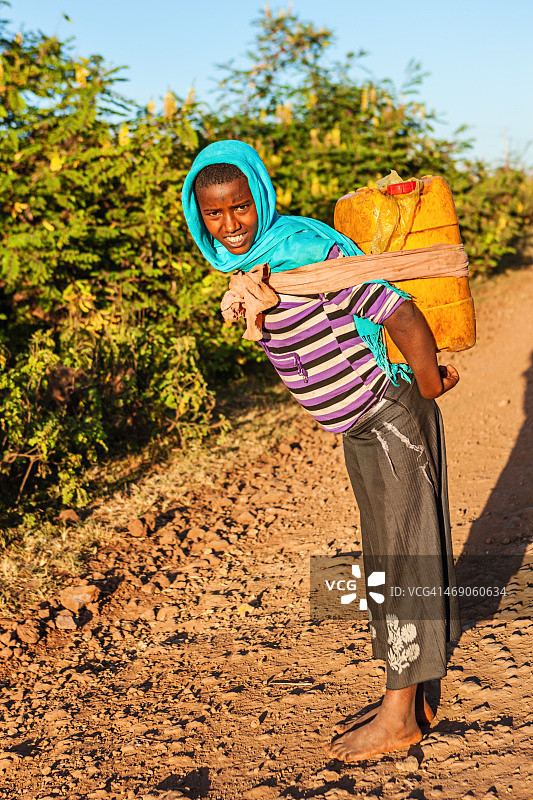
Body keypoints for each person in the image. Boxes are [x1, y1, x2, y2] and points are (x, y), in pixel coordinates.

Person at [182, 140, 461, 762]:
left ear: (261, 197)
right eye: (214, 214)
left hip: (389, 416)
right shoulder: (257, 268)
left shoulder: (306, 255)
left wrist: (428, 380)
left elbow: (399, 309)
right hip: (363, 425)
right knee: (389, 555)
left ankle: (399, 716)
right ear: (197, 216)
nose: (230, 226)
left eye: (241, 208)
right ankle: (410, 699)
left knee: (402, 555)